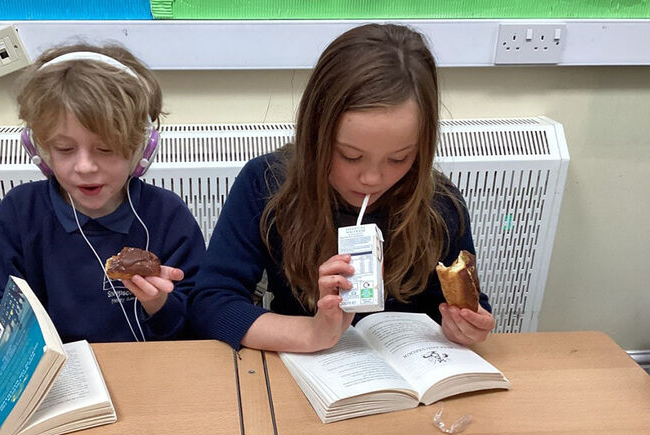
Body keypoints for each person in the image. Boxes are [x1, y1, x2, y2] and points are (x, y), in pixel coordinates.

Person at [188, 24, 495, 352]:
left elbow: (465, 306)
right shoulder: (266, 183)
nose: (372, 179)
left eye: (399, 158)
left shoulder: (439, 204)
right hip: (302, 375)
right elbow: (212, 303)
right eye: (350, 156)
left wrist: (468, 325)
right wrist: (312, 333)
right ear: (314, 136)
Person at [0, 44, 205, 368]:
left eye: (105, 149)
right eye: (64, 148)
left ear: (143, 149)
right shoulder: (20, 213)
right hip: (56, 378)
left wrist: (159, 303)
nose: (85, 166)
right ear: (39, 149)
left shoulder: (168, 216)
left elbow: (196, 326)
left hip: (153, 373)